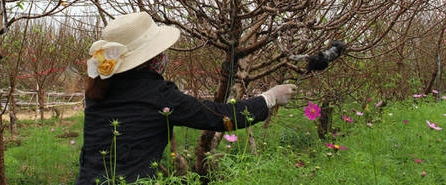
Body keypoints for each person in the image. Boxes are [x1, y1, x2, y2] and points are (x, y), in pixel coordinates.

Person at [75, 12, 297, 184]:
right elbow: (220, 117)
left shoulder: (98, 90)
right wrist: (270, 98)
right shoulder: (158, 94)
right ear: (151, 58)